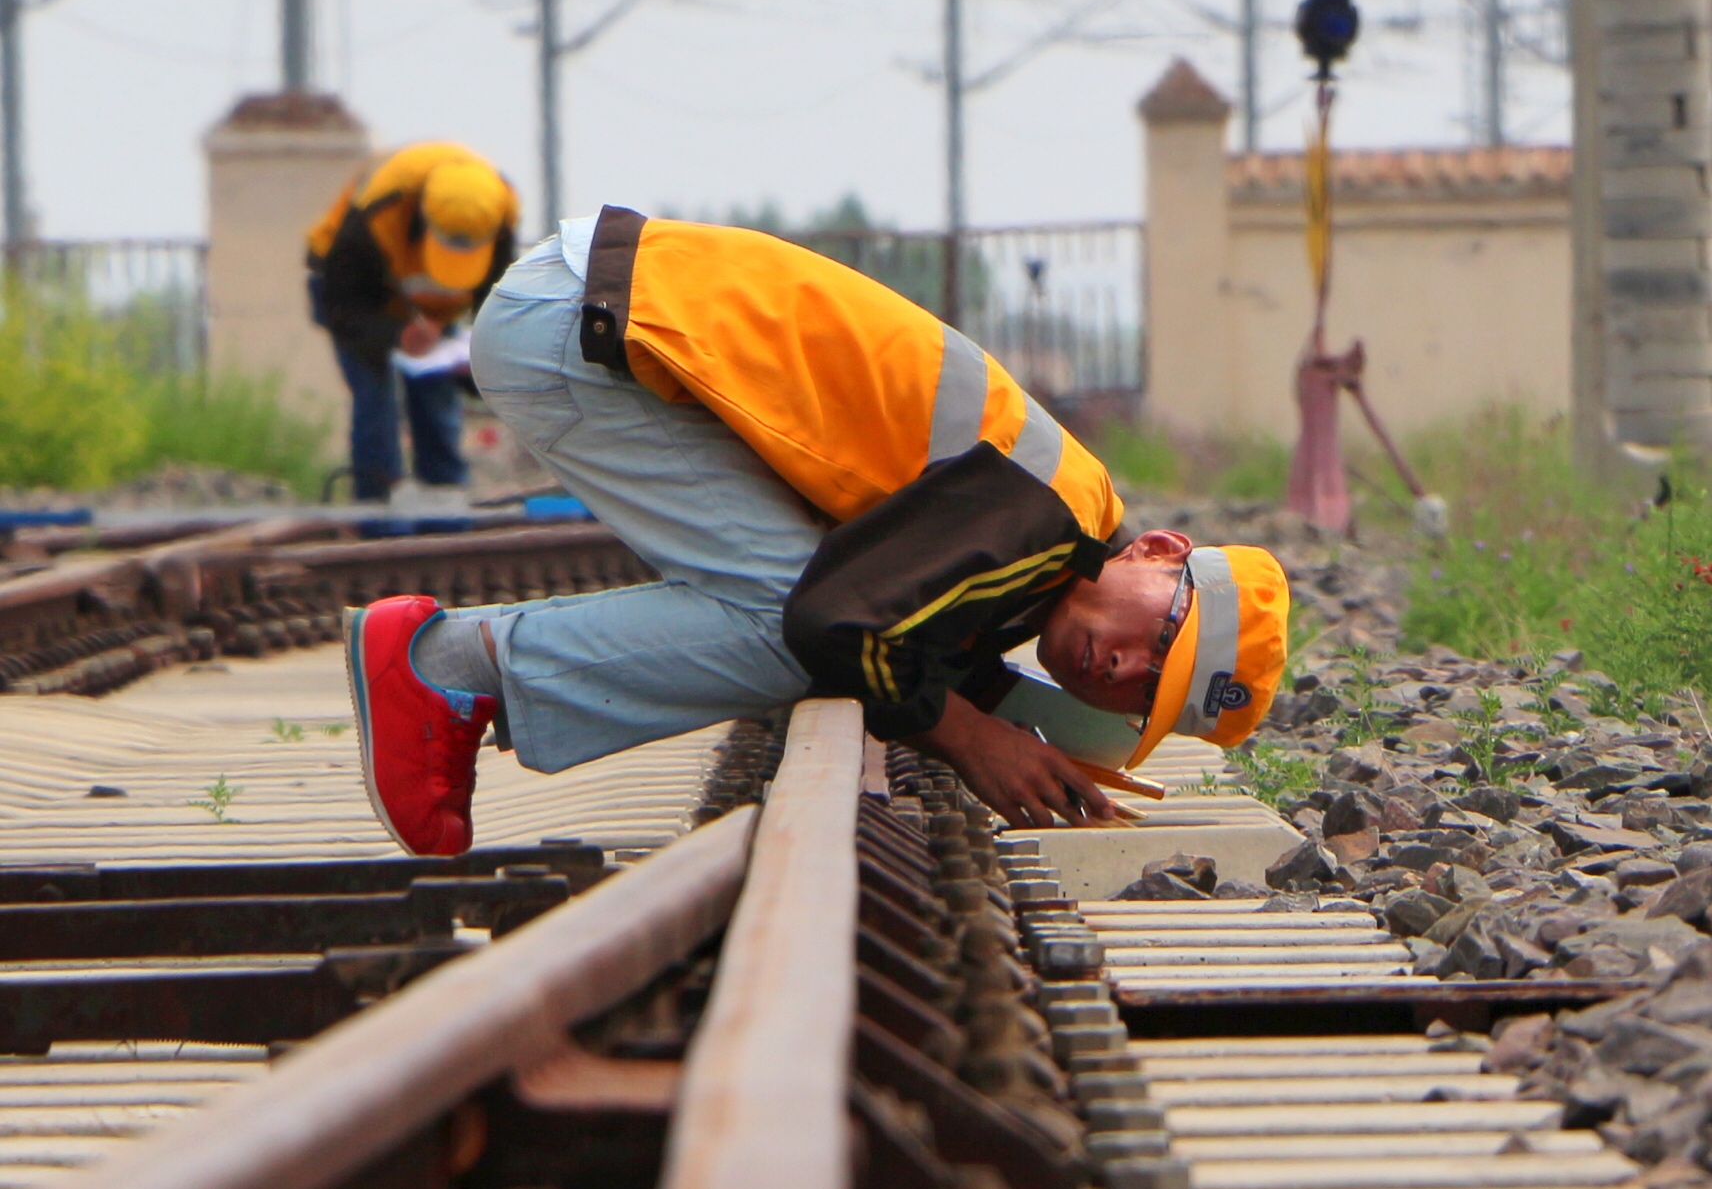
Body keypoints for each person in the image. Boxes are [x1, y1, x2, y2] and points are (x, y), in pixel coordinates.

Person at [343, 206, 1289, 856]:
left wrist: (1028, 732)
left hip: (589, 306)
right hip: (588, 329)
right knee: (779, 621)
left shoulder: (1046, 548)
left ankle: (460, 676)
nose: (1123, 669)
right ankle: (447, 670)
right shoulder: (1040, 514)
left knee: (799, 613)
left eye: (1145, 693)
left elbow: (919, 635)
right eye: (1159, 637)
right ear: (1158, 551)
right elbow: (835, 622)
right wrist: (970, 737)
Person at [307, 142, 521, 506]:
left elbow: (496, 300)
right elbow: (342, 303)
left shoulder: (497, 211)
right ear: (422, 218)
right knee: (377, 404)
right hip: (357, 300)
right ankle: (378, 511)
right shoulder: (374, 214)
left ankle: (444, 510)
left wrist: (478, 359)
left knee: (436, 399)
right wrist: (393, 335)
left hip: (432, 317)